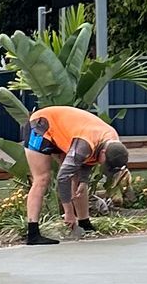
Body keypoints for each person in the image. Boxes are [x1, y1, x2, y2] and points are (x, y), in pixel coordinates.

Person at [22, 102, 129, 244]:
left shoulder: (113, 140)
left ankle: (85, 224)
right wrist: (69, 213)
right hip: (41, 126)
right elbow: (62, 178)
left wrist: (84, 181)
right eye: (106, 163)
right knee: (42, 179)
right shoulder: (84, 145)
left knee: (78, 180)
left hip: (65, 134)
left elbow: (90, 160)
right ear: (104, 152)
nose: (104, 165)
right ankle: (33, 233)